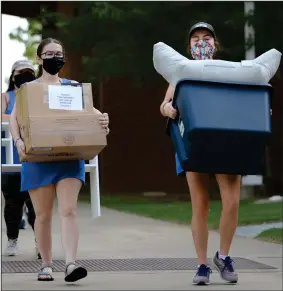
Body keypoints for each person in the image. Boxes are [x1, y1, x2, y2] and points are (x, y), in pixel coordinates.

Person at [9, 37, 110, 282]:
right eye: (50, 54)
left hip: (69, 156)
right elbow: (14, 118)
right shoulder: (28, 91)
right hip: (38, 159)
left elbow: (90, 110)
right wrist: (19, 142)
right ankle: (45, 264)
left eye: (59, 54)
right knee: (42, 215)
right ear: (39, 58)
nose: (55, 58)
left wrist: (102, 119)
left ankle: (71, 264)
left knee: (69, 210)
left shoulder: (72, 86)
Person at [160, 22, 240, 285]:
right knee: (200, 204)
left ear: (215, 44)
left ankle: (224, 256)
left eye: (206, 38)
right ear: (189, 46)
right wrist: (168, 109)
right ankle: (202, 265)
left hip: (226, 141)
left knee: (231, 200)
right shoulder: (181, 73)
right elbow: (165, 104)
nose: (201, 42)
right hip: (193, 141)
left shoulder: (227, 70)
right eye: (196, 38)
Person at [1, 60, 41, 259]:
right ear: (13, 75)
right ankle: (12, 241)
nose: (25, 76)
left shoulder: (38, 96)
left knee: (37, 204)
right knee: (12, 203)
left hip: (34, 158)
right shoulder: (5, 97)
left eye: (29, 72)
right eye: (20, 72)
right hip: (10, 160)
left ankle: (41, 243)